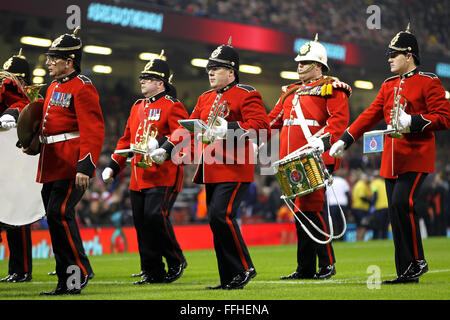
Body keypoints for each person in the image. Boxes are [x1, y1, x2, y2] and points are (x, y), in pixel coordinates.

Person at [330, 25, 450, 284]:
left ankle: (417, 261)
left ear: (410, 56)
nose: (389, 59)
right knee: (396, 212)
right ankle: (406, 270)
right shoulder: (388, 86)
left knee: (400, 203)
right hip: (392, 159)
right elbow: (368, 115)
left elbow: (444, 118)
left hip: (417, 155)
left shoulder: (429, 82)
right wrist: (346, 139)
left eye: (394, 54)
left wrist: (413, 121)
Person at [151, 39, 270, 290]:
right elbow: (186, 127)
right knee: (216, 220)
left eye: (216, 68)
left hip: (236, 166)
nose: (211, 73)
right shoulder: (205, 98)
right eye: (209, 69)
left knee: (221, 215)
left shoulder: (248, 94)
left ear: (231, 72)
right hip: (212, 168)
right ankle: (228, 277)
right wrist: (167, 147)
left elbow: (261, 128)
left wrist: (231, 128)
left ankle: (244, 268)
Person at [22, 27, 105, 295]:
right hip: (51, 163)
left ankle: (74, 275)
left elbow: (93, 129)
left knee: (59, 214)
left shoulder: (83, 87)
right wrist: (33, 144)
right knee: (56, 217)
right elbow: (45, 125)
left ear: (69, 62)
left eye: (53, 58)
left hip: (71, 163)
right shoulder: (52, 87)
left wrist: (86, 165)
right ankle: (70, 276)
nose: (47, 63)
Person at [268, 34, 351, 280]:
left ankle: (326, 264)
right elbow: (271, 121)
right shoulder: (289, 92)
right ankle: (305, 267)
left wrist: (322, 141)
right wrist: (243, 133)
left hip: (314, 158)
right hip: (290, 160)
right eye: (299, 62)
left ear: (318, 66)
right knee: (300, 211)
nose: (299, 66)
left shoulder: (332, 88)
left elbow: (338, 122)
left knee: (311, 208)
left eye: (304, 63)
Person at [102, 53, 188, 284]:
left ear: (161, 83)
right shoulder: (137, 107)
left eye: (148, 78)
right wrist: (113, 165)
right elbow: (126, 139)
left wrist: (165, 146)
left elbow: (182, 132)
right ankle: (152, 271)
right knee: (141, 222)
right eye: (142, 77)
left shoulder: (172, 105)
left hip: (164, 173)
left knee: (154, 216)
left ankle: (176, 259)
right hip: (139, 175)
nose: (142, 81)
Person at [0, 50, 33, 283]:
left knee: (16, 219)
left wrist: (12, 111)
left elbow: (25, 106)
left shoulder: (28, 97)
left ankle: (20, 270)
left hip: (18, 164)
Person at [324, 169, 351, 240]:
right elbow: (348, 195)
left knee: (333, 223)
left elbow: (325, 195)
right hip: (342, 204)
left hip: (332, 204)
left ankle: (335, 238)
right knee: (342, 223)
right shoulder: (343, 181)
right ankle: (342, 238)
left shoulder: (326, 182)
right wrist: (349, 208)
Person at [351, 172, 372, 241]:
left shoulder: (358, 184)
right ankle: (360, 239)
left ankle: (358, 239)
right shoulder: (362, 185)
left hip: (356, 207)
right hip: (361, 208)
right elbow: (362, 197)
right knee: (363, 225)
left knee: (359, 226)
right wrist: (370, 201)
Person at [370, 171, 390, 239]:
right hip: (387, 207)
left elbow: (375, 194)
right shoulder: (383, 182)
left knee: (378, 226)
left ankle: (377, 238)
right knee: (385, 226)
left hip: (379, 207)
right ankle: (385, 238)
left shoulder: (374, 183)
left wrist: (372, 205)